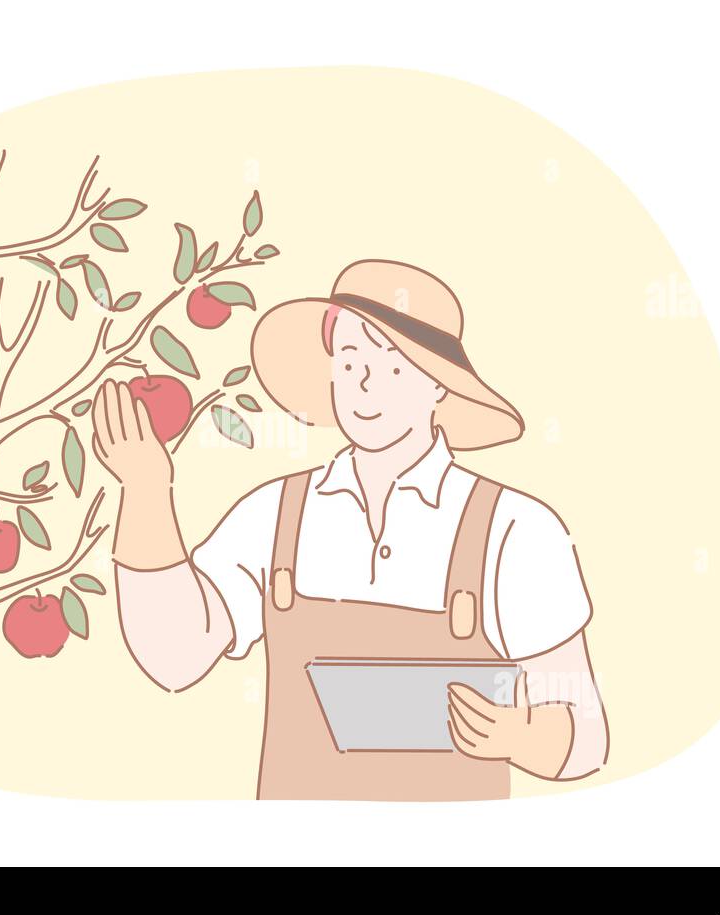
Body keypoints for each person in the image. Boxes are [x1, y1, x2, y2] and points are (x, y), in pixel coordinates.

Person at [92, 259, 608, 801]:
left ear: (439, 385)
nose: (364, 383)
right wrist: (147, 493)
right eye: (348, 359)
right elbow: (175, 656)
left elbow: (586, 733)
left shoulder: (516, 530)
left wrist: (522, 738)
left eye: (392, 365)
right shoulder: (274, 513)